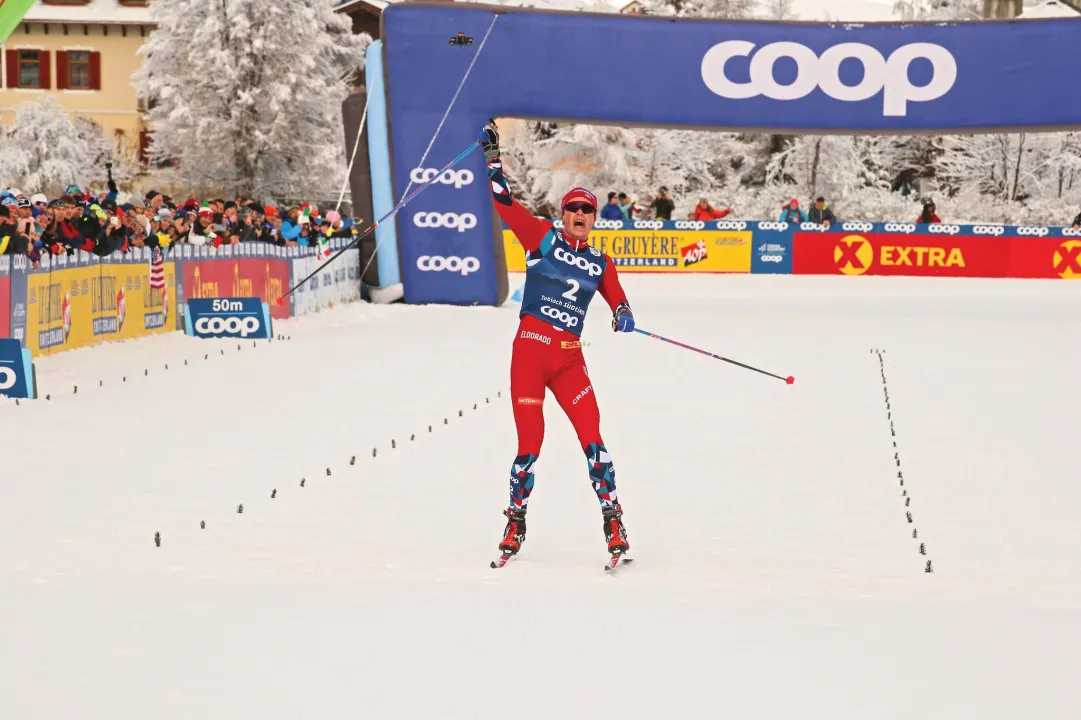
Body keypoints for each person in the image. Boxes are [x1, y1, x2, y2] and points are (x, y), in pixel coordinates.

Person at [479, 121, 634, 560]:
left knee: (594, 441)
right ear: (563, 214)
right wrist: (493, 159)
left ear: (594, 219)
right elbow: (505, 203)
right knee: (529, 445)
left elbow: (618, 299)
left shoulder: (602, 263)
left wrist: (623, 313)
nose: (580, 216)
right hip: (529, 356)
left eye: (588, 211)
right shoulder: (541, 238)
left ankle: (613, 520)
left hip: (568, 362)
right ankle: (515, 524)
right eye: (573, 209)